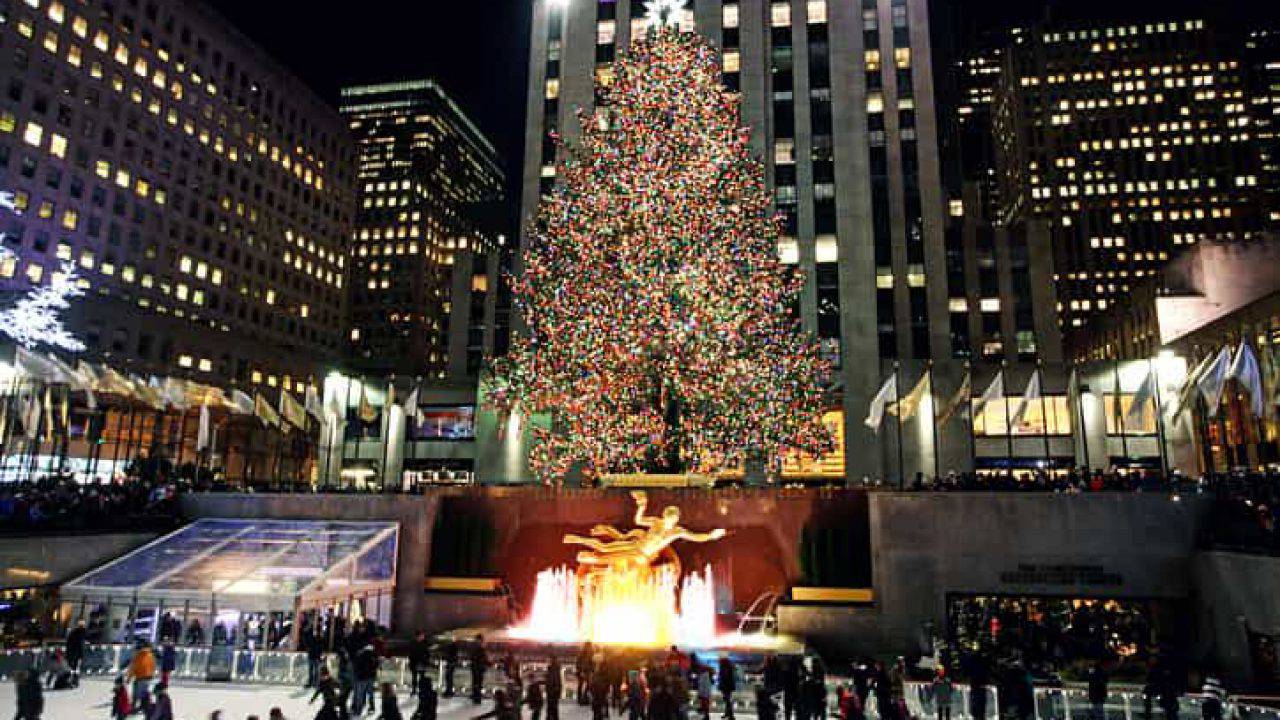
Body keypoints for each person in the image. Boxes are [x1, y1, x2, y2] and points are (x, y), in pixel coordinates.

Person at [128, 641, 157, 715]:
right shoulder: (151, 655)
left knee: (136, 693)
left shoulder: (138, 656)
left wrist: (129, 678)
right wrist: (152, 675)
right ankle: (143, 706)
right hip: (148, 677)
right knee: (145, 693)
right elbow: (153, 666)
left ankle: (135, 707)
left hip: (140, 677)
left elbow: (133, 668)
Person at [354, 642, 380, 715]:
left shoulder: (359, 655)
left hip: (361, 677)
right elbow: (376, 665)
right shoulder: (373, 655)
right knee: (370, 694)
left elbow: (356, 666)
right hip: (370, 677)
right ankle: (372, 707)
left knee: (360, 695)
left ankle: (358, 710)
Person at [409, 631, 431, 696]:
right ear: (418, 636)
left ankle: (421, 690)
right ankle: (414, 690)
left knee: (422, 677)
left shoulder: (425, 643)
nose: (423, 637)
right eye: (422, 636)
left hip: (422, 662)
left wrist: (426, 660)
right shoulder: (413, 643)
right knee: (414, 677)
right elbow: (411, 653)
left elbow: (427, 653)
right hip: (415, 662)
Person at [470, 635, 489, 706]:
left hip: (477, 668)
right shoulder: (481, 649)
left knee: (477, 683)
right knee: (477, 683)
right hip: (478, 668)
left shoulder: (478, 649)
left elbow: (477, 658)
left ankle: (477, 698)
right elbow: (484, 659)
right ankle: (476, 697)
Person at [717, 655, 737, 720]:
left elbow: (724, 678)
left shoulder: (724, 667)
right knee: (727, 701)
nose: (718, 660)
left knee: (727, 701)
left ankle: (730, 715)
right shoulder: (728, 666)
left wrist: (721, 686)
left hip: (726, 687)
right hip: (728, 687)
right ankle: (727, 714)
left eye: (719, 659)